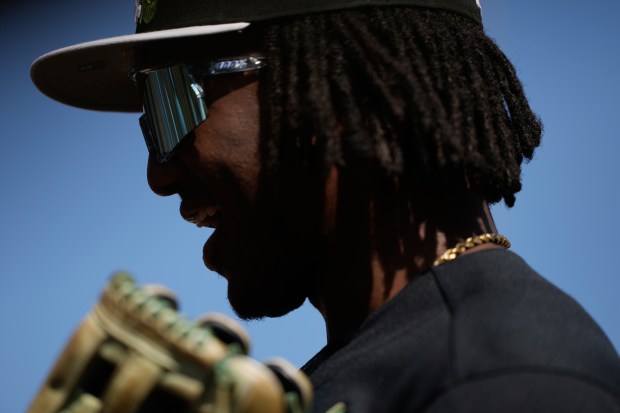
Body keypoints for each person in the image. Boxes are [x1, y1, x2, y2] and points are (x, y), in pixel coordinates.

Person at [31, 0, 620, 412]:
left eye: (170, 102)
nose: (159, 173)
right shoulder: (389, 365)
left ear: (350, 90)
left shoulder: (504, 380)